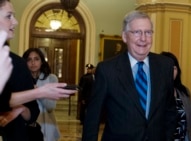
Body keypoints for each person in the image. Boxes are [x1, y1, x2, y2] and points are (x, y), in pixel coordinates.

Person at [82, 10, 177, 141]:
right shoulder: (107, 70)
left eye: (148, 32)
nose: (143, 38)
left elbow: (170, 110)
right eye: (137, 32)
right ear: (125, 37)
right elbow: (93, 117)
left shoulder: (165, 66)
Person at [0, 0, 76, 140]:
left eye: (37, 59)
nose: (15, 22)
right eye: (9, 16)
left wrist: (23, 106)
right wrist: (40, 92)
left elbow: (33, 113)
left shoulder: (17, 64)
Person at [22, 48, 60, 141]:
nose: (33, 62)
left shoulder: (51, 78)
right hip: (24, 127)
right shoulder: (21, 79)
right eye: (29, 60)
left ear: (42, 61)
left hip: (45, 126)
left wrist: (38, 92)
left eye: (36, 59)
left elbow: (51, 107)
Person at [161, 52, 191, 141]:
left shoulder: (184, 92)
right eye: (167, 68)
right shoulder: (153, 93)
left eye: (174, 68)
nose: (171, 72)